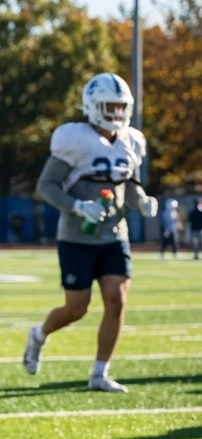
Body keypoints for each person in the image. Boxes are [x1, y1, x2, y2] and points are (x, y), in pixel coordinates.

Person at [22, 73, 157, 392]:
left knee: (117, 300)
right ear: (92, 106)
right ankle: (39, 334)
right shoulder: (73, 138)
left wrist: (143, 202)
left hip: (114, 234)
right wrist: (77, 206)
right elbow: (46, 185)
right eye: (109, 106)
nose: (116, 113)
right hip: (76, 236)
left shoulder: (131, 141)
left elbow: (130, 184)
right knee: (76, 308)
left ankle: (100, 372)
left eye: (121, 106)